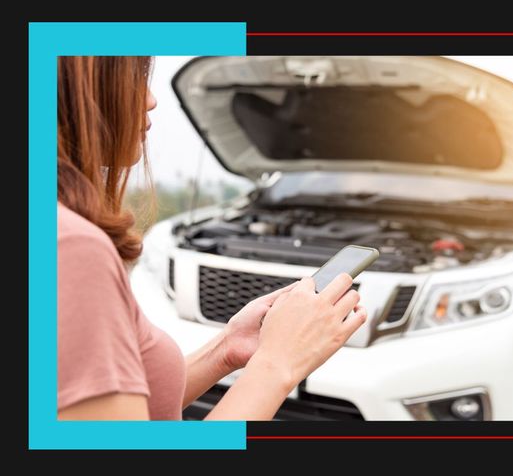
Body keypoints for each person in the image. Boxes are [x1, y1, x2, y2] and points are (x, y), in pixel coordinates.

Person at [57, 56, 367, 420]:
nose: (150, 99)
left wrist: (226, 349)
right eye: (133, 78)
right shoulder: (71, 248)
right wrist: (277, 364)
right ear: (73, 93)